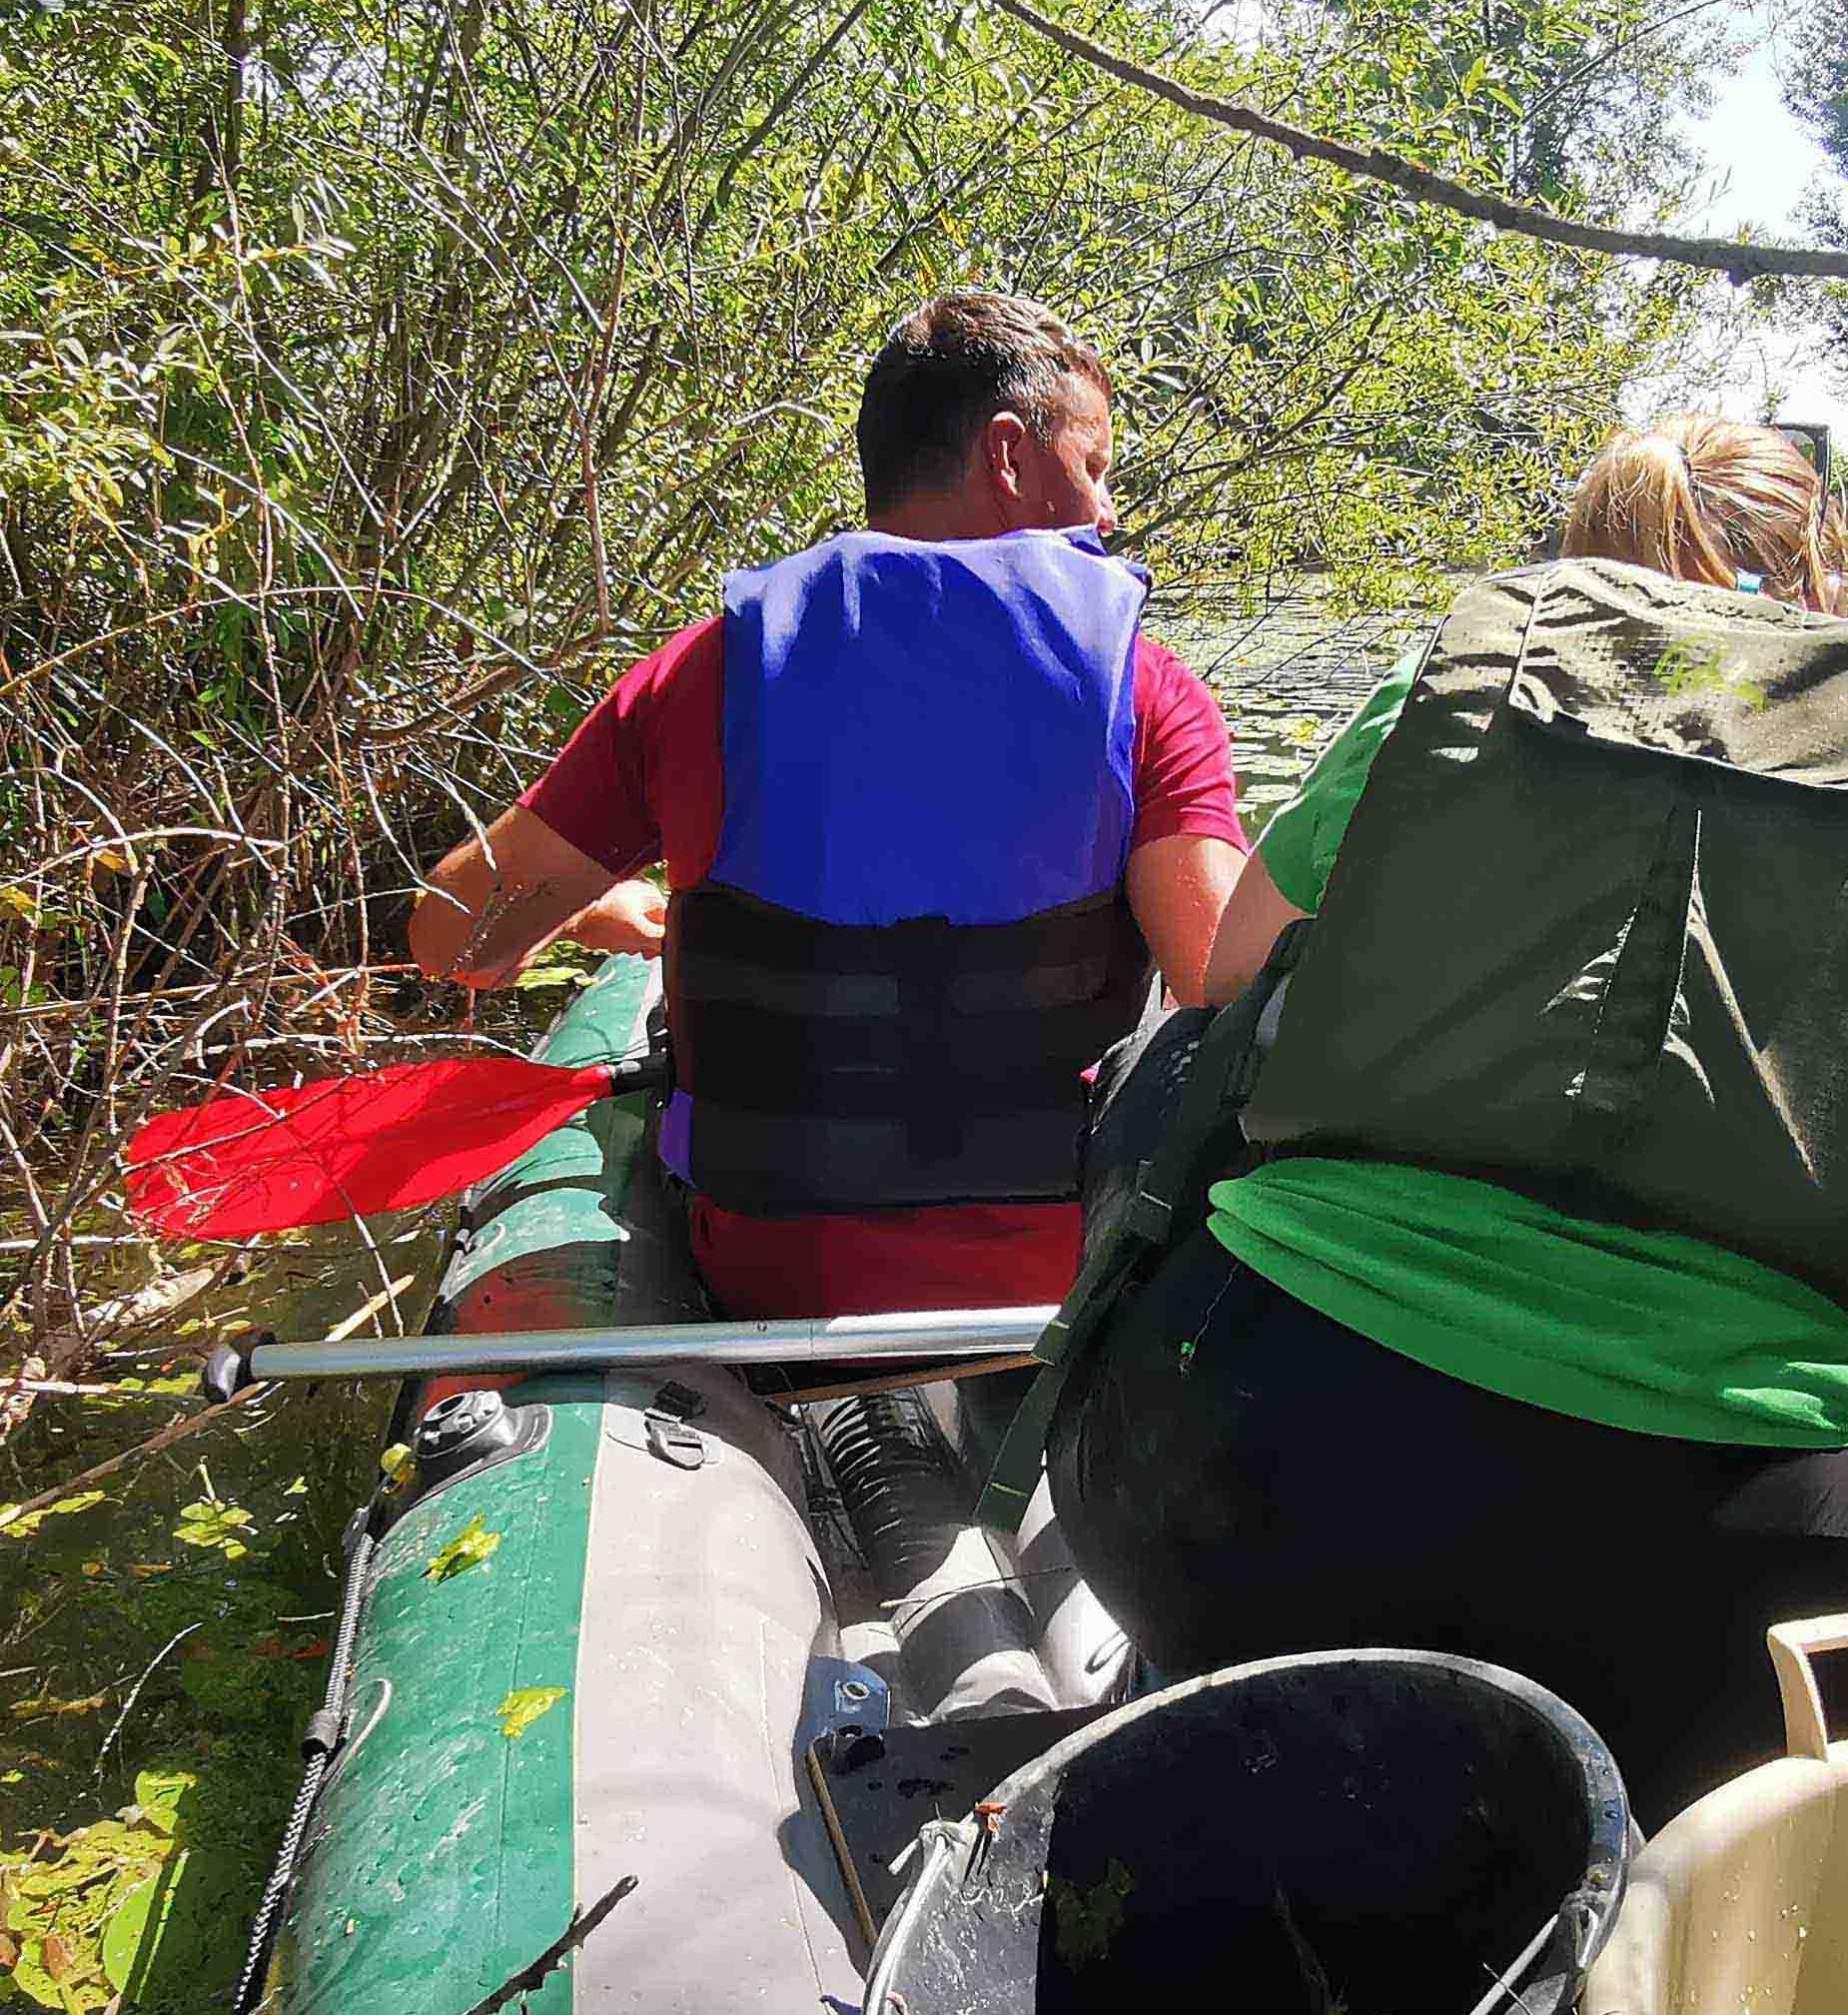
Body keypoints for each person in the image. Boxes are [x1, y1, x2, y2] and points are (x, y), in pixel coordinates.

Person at [1039, 416, 1848, 1820]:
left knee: (1183, 1064)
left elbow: (1230, 969)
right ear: (1823, 568)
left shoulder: (1459, 677)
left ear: (1583, 552)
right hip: (1740, 1626)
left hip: (1249, 1506)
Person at [407, 291, 1247, 1313]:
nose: (1108, 510)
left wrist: (579, 914)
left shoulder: (699, 675)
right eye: (1097, 467)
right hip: (1050, 1283)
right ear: (1012, 455)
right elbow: (1223, 992)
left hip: (770, 1276)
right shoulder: (1147, 688)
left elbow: (453, 940)